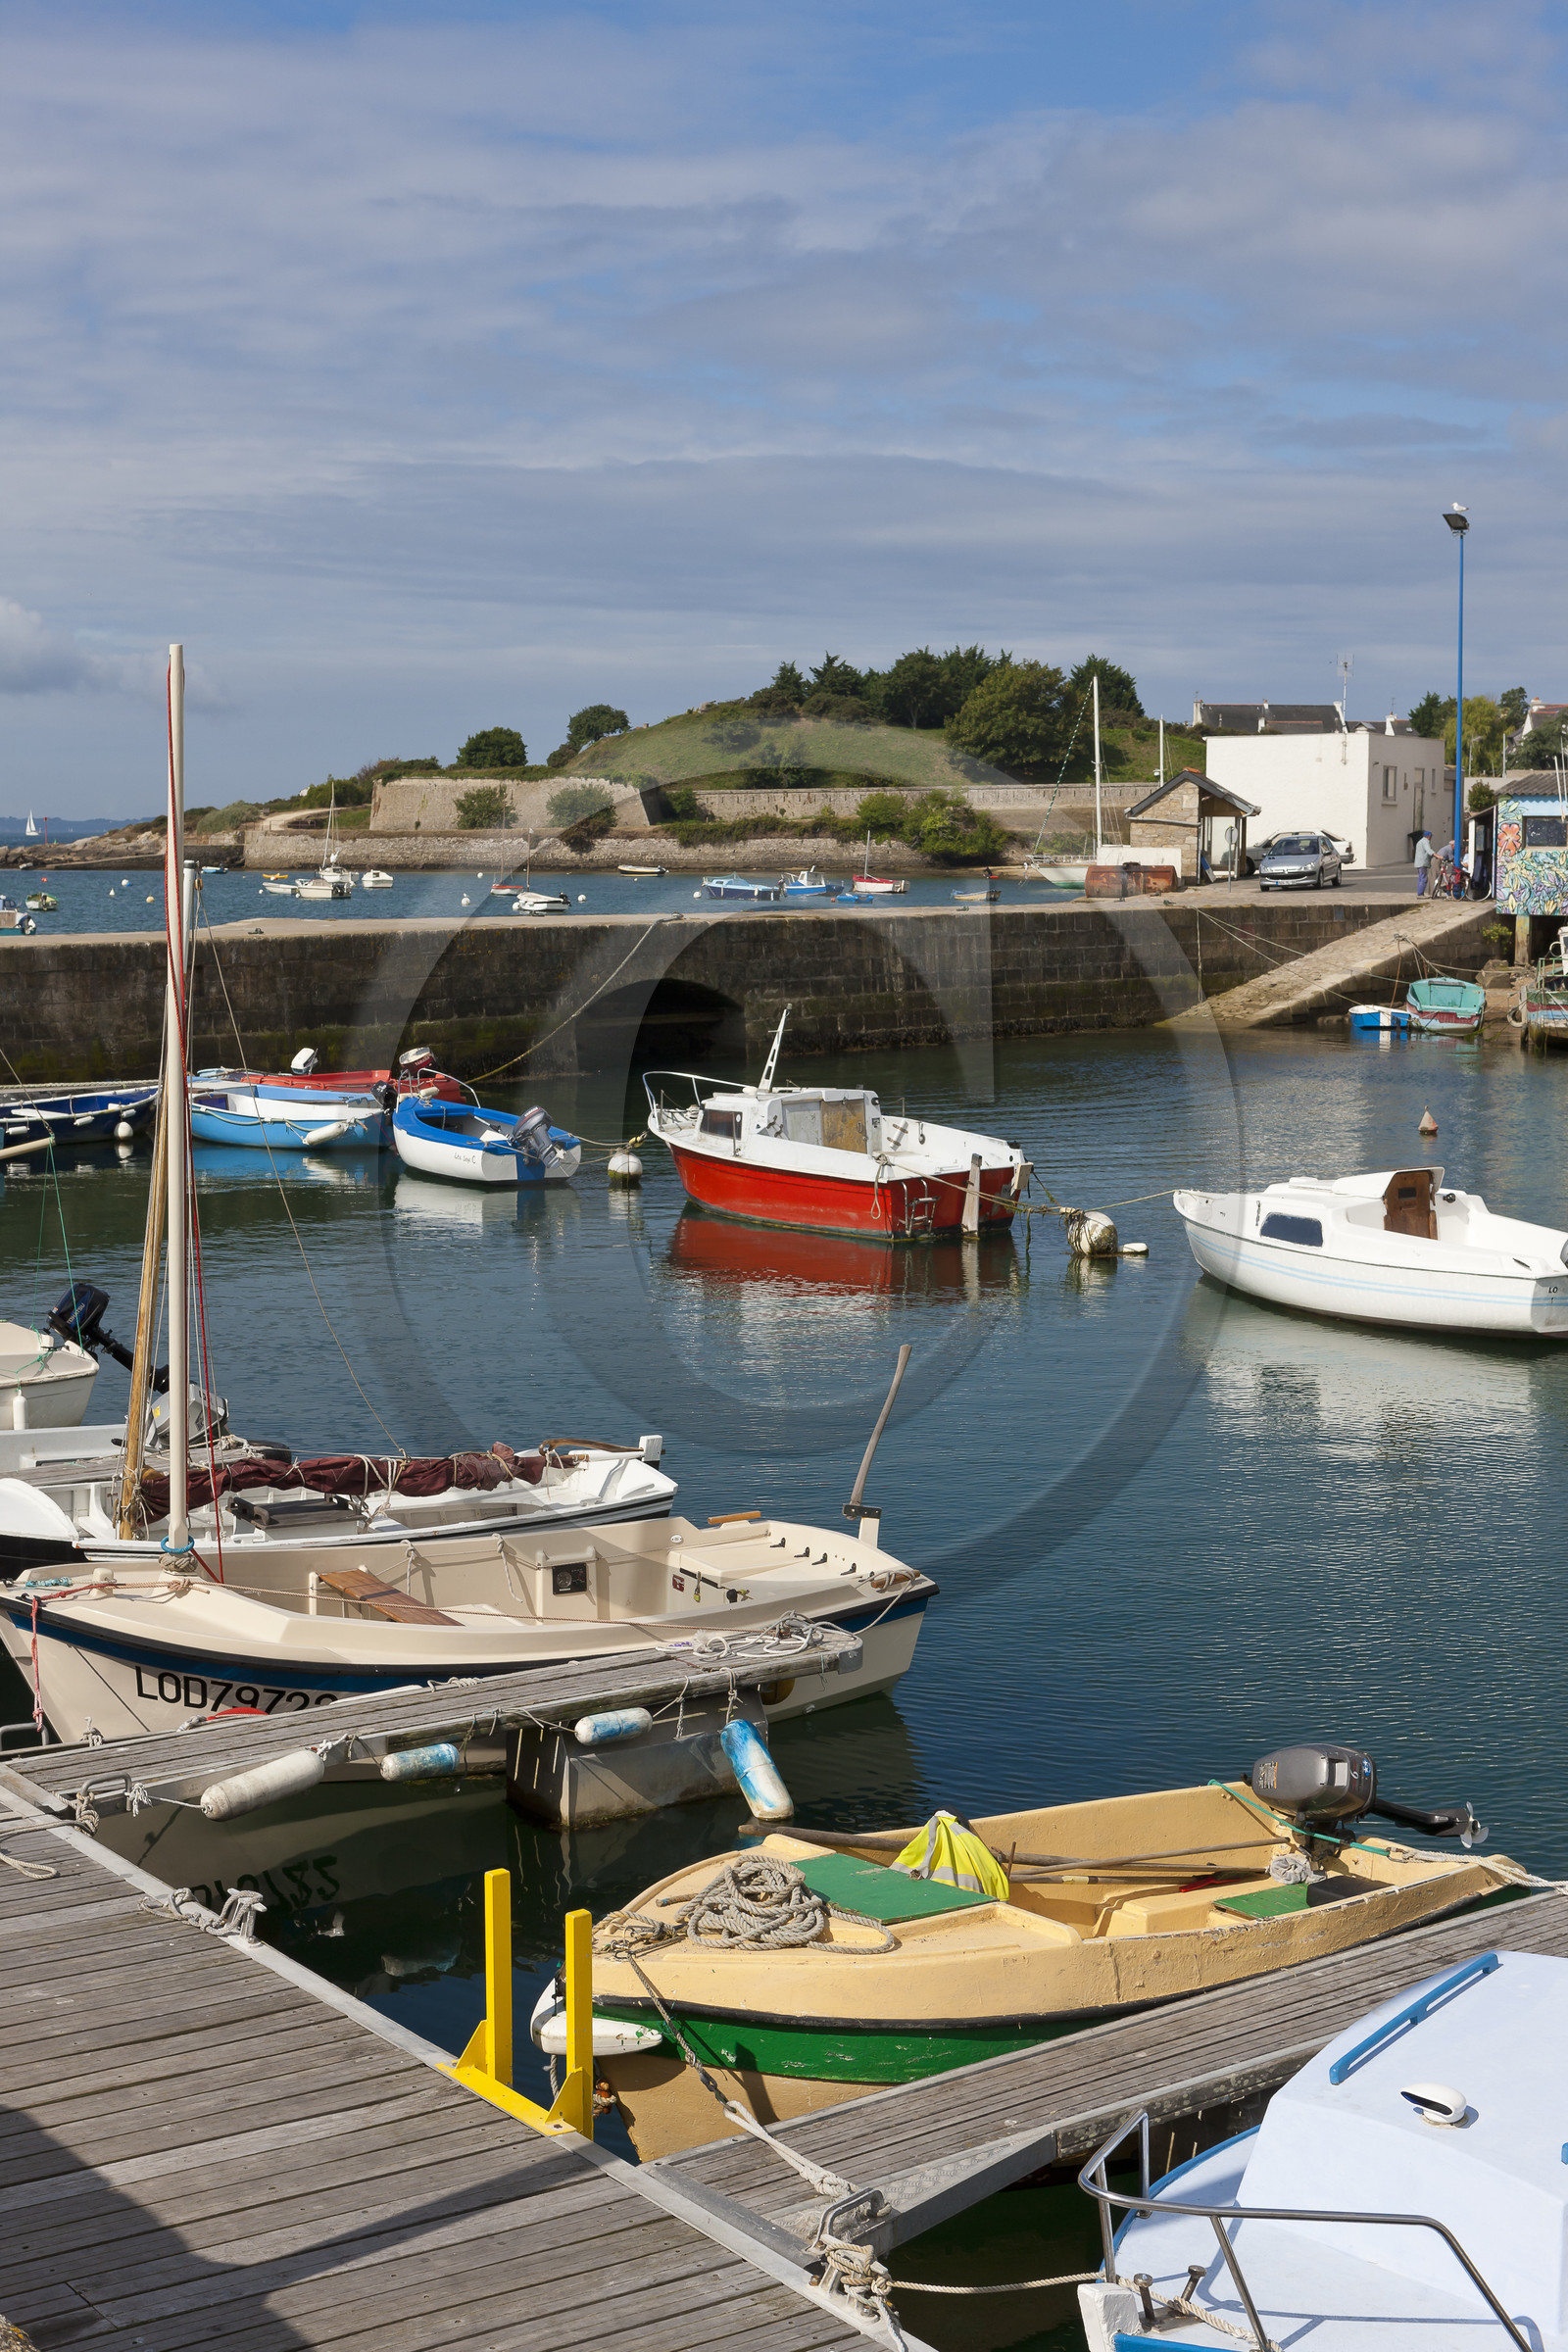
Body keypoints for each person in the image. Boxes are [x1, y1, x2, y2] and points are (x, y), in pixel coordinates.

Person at [1414, 830, 1433, 896]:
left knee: (1420, 878)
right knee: (1424, 878)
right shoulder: (1425, 842)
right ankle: (1420, 893)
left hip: (1418, 863)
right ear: (1429, 836)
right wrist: (1436, 855)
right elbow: (1429, 850)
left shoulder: (1420, 841)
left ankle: (1420, 892)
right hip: (1423, 863)